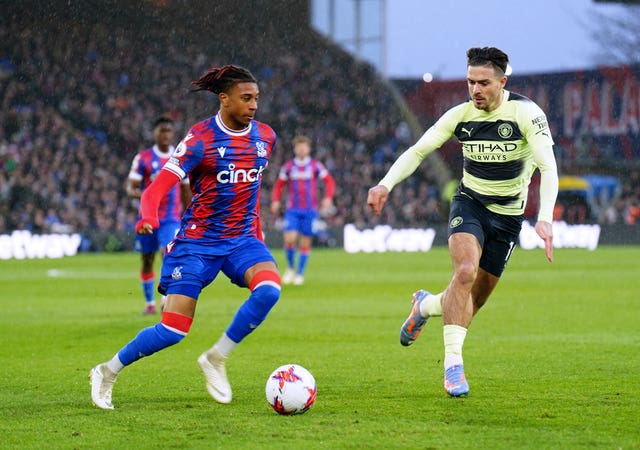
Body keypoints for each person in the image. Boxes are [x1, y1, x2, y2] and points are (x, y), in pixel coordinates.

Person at [367, 47, 558, 397]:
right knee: (465, 272)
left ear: (502, 81)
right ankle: (453, 367)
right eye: (471, 82)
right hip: (470, 204)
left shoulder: (527, 114)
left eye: (483, 83)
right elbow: (419, 151)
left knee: (472, 301)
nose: (475, 90)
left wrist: (544, 218)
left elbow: (548, 167)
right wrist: (385, 184)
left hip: (509, 218)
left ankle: (424, 306)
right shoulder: (460, 115)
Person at [90, 65, 281, 409]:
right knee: (174, 330)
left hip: (241, 240)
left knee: (269, 290)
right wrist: (147, 216)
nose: (254, 105)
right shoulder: (200, 139)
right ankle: (107, 370)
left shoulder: (266, 137)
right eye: (246, 98)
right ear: (224, 99)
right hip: (196, 245)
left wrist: (258, 232)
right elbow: (155, 188)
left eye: (256, 98)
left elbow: (251, 191)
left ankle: (216, 358)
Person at [125, 116, 191, 315]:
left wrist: (190, 215)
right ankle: (149, 303)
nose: (165, 134)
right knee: (147, 260)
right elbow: (131, 187)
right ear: (154, 133)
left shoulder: (180, 159)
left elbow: (186, 190)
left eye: (169, 130)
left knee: (167, 252)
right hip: (147, 217)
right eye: (162, 130)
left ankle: (166, 298)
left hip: (171, 218)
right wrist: (144, 194)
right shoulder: (143, 158)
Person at [270, 135, 335, 285]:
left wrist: (328, 197)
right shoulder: (288, 167)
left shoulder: (315, 166)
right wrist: (275, 201)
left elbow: (329, 182)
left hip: (310, 210)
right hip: (293, 209)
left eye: (304, 146)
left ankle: (300, 273)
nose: (301, 149)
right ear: (295, 149)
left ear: (309, 149)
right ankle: (291, 268)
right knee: (290, 238)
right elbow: (279, 185)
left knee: (305, 242)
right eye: (299, 146)